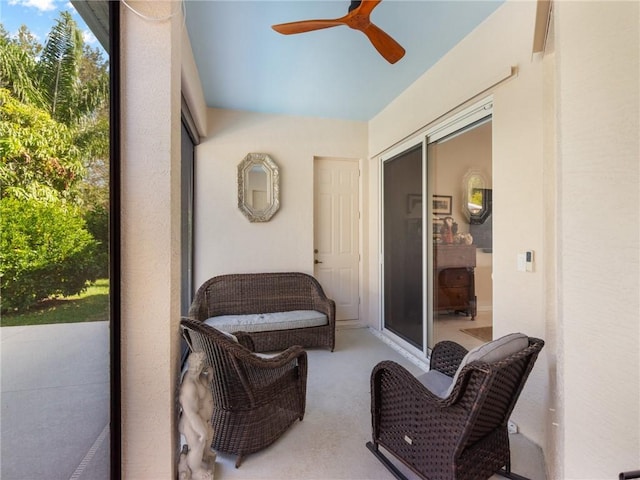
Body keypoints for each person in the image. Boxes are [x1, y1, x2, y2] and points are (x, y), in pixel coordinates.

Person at [178, 351, 216, 480]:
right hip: (192, 423)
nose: (197, 368)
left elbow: (205, 386)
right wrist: (201, 432)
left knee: (208, 437)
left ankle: (204, 456)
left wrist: (209, 374)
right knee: (197, 447)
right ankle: (196, 471)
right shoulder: (189, 387)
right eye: (196, 366)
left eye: (200, 366)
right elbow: (191, 413)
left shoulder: (198, 377)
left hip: (202, 419)